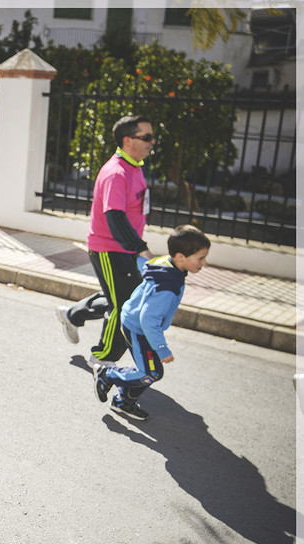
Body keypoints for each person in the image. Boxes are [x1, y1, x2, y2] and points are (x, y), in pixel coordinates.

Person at [56, 115, 155, 366]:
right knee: (124, 306)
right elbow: (114, 216)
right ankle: (102, 358)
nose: (152, 142)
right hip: (110, 248)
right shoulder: (116, 172)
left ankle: (72, 314)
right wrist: (140, 248)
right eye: (146, 137)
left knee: (120, 295)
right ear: (127, 140)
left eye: (152, 137)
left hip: (124, 247)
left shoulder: (135, 166)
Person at [95, 225, 210, 421]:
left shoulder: (166, 264)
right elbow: (148, 319)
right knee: (152, 372)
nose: (204, 263)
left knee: (151, 370)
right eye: (200, 258)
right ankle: (108, 374)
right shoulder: (168, 285)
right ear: (181, 257)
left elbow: (144, 264)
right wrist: (162, 348)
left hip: (135, 321)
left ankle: (124, 401)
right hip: (138, 329)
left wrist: (138, 255)